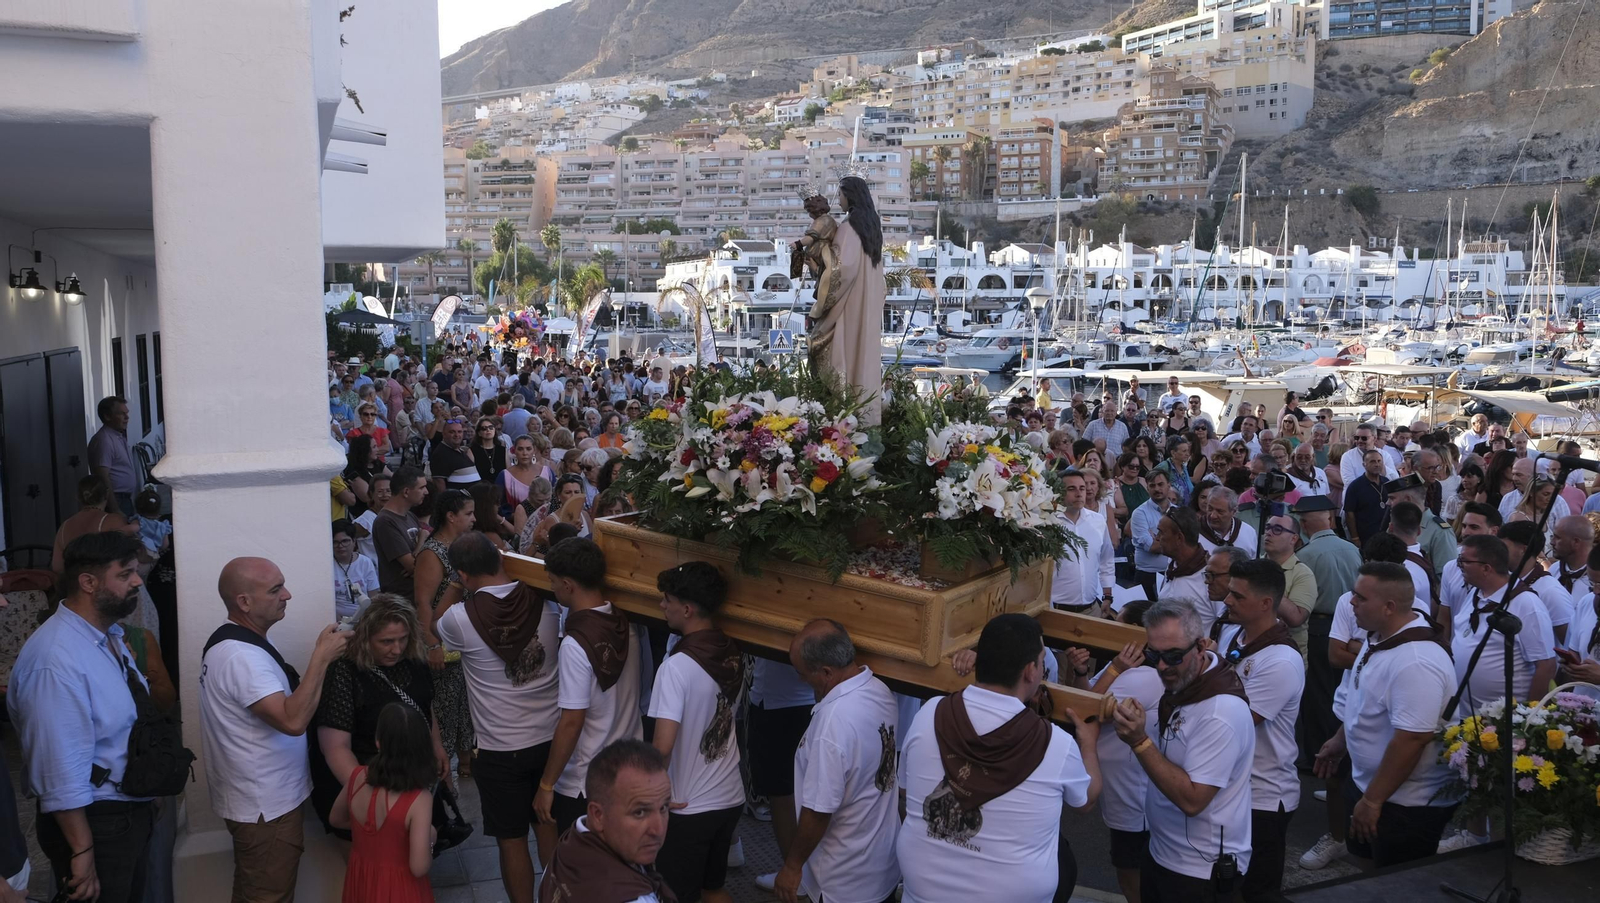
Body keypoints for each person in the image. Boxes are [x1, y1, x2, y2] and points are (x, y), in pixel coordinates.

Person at [899, 614, 1101, 903]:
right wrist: (1089, 745)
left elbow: (906, 789)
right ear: (1031, 671)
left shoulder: (929, 714)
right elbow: (1087, 799)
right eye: (1042, 661)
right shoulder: (1057, 744)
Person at [8, 532, 159, 903]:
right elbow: (58, 766)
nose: (138, 581)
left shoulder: (105, 636)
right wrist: (83, 852)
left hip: (123, 812)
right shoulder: (55, 660)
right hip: (96, 822)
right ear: (88, 583)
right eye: (125, 574)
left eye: (135, 572)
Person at [200, 556, 350, 903]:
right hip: (265, 809)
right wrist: (322, 658)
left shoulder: (239, 643)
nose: (288, 594)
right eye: (275, 589)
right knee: (269, 897)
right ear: (244, 602)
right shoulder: (242, 657)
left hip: (260, 804)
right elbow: (292, 721)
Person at [435, 533, 563, 900]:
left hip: (499, 748)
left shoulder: (460, 620)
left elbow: (433, 623)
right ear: (501, 559)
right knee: (549, 829)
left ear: (462, 573)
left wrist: (454, 585)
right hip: (552, 742)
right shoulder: (547, 602)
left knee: (511, 842)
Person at [1312, 562, 1460, 867]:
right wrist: (1342, 739)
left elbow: (1412, 739)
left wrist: (1373, 800)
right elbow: (1365, 697)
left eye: (1360, 597)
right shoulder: (1379, 635)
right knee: (1366, 869)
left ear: (1389, 607)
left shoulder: (1416, 661)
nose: (1351, 602)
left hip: (1404, 804)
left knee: (1394, 884)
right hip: (1374, 788)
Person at [1111, 599, 1254, 903]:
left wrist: (1140, 742)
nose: (1162, 666)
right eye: (1154, 655)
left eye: (1174, 656)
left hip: (1197, 871)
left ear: (1201, 647)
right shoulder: (1189, 683)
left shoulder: (1220, 711)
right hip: (1163, 852)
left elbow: (1193, 799)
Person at [774, 619, 900, 903]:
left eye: (803, 673)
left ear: (827, 672)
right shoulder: (880, 690)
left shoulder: (831, 726)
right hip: (881, 865)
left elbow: (818, 811)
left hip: (843, 880)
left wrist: (792, 866)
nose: (800, 680)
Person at [649, 562, 747, 903]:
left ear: (687, 609)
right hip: (730, 796)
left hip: (688, 805)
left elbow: (662, 746)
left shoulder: (675, 668)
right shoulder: (732, 650)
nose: (662, 606)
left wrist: (649, 794)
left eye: (667, 600)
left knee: (676, 896)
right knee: (714, 888)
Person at [536, 538, 645, 836]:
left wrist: (547, 785)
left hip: (586, 783)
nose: (553, 588)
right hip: (628, 768)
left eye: (553, 582)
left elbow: (572, 721)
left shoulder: (574, 644)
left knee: (587, 875)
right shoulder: (626, 623)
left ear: (568, 584)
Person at [311, 596, 448, 832]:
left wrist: (436, 746)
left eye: (403, 639)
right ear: (364, 639)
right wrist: (367, 797)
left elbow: (425, 706)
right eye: (386, 641)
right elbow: (335, 747)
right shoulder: (344, 672)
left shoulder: (413, 660)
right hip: (368, 782)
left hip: (413, 779)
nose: (397, 649)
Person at [1220, 560, 1305, 903]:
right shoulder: (1231, 634)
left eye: (1237, 596)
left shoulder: (1280, 661)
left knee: (1257, 892)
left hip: (1264, 798)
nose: (1227, 600)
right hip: (1233, 789)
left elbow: (1235, 724)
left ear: (1266, 604)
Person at [536, 740, 675, 903]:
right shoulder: (634, 899)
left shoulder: (567, 846)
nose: (658, 830)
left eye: (664, 807)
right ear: (598, 815)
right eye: (639, 812)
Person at [329, 703, 438, 903]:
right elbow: (418, 866)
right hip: (401, 889)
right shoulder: (420, 799)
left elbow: (336, 819)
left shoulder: (357, 777)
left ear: (378, 741)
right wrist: (431, 839)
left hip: (362, 881)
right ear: (422, 746)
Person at [807, 176, 886, 423]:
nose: (837, 199)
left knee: (837, 351)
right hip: (867, 304)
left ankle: (844, 417)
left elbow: (841, 269)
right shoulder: (871, 228)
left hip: (848, 306)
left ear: (850, 196)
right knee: (863, 357)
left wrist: (818, 252)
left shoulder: (849, 228)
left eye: (840, 194)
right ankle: (866, 416)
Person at [1497, 520, 1574, 643]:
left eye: (1503, 547)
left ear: (1524, 549)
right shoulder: (1503, 582)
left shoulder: (1551, 592)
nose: (1497, 552)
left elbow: (1569, 642)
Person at [1050, 469, 1114, 614]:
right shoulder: (1048, 523)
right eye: (1071, 489)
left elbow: (1107, 559)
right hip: (1056, 610)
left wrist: (1108, 595)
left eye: (1082, 488)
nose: (1079, 494)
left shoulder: (1097, 521)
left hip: (1092, 608)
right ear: (1059, 492)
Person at [52, 474, 140, 575]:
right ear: (107, 494)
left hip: (75, 586)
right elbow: (130, 558)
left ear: (78, 497)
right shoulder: (113, 520)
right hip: (104, 586)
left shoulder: (64, 526)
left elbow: (57, 567)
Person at [1150, 507, 1218, 633]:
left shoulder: (1214, 578)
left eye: (1161, 533)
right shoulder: (1173, 566)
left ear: (1179, 538)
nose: (1157, 538)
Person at [372, 467, 428, 595]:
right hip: (402, 600)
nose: (426, 492)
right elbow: (415, 568)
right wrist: (423, 539)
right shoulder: (385, 522)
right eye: (422, 488)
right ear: (406, 492)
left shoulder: (410, 516)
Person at [88, 396, 141, 517]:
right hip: (116, 500)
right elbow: (102, 476)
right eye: (121, 414)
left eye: (127, 413)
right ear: (107, 416)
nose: (127, 418)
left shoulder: (117, 436)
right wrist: (115, 509)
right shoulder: (104, 440)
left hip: (125, 498)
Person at [1130, 468, 1175, 604]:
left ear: (1168, 485)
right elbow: (1152, 547)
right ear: (1147, 488)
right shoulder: (1139, 513)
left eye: (1160, 484)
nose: (1157, 489)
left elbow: (1187, 545)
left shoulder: (1178, 512)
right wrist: (1174, 543)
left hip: (1173, 575)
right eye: (1152, 485)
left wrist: (1157, 537)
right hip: (1147, 576)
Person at [331, 518, 380, 623]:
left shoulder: (365, 563)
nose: (340, 546)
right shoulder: (327, 564)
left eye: (345, 541)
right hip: (335, 620)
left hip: (363, 619)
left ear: (354, 541)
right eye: (335, 542)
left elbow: (374, 596)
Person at [1342, 450, 1388, 549]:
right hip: (1366, 536)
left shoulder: (1387, 483)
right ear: (1364, 464)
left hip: (1386, 535)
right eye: (1372, 461)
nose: (1377, 464)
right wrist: (1355, 537)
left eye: (1379, 461)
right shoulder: (1355, 486)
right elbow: (1349, 513)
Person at [1198, 486, 1257, 555]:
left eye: (1220, 511)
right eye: (1210, 509)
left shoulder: (1248, 533)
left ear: (1233, 512)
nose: (1213, 516)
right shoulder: (1193, 531)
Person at [1550, 514, 1593, 599]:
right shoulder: (1554, 570)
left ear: (1576, 542)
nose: (1552, 542)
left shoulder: (1595, 579)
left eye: (1558, 538)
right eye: (1552, 536)